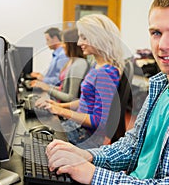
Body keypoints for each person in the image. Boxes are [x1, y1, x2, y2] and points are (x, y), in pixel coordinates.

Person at [46, 0, 169, 185]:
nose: (163, 45)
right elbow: (132, 147)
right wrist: (86, 155)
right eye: (156, 33)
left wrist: (95, 175)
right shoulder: (160, 88)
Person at [42, 14, 126, 148]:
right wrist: (59, 106)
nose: (79, 43)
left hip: (85, 137)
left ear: (99, 38)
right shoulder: (97, 66)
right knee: (39, 132)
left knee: (38, 142)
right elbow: (86, 102)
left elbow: (99, 121)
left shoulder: (106, 73)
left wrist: (62, 112)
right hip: (78, 129)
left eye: (84, 37)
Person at [33, 28, 89, 102]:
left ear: (71, 45)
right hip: (60, 104)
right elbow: (63, 89)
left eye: (64, 43)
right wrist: (46, 86)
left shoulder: (79, 64)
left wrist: (48, 89)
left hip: (64, 107)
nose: (62, 46)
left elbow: (71, 98)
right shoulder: (72, 61)